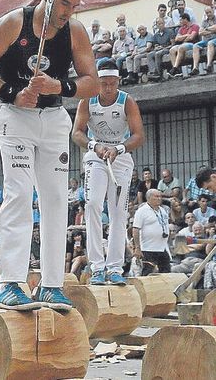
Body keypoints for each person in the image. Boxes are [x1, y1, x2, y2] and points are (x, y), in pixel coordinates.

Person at [0, 0, 99, 310]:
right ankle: (10, 282)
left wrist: (62, 86)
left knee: (56, 199)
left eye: (75, 5)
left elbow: (92, 83)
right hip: (16, 117)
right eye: (65, 3)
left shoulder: (75, 32)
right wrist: (11, 93)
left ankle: (51, 283)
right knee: (20, 192)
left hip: (54, 118)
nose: (68, 11)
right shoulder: (14, 24)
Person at [72, 60, 144, 286]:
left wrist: (119, 148)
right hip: (96, 155)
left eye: (113, 83)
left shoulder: (127, 101)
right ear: (97, 82)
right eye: (104, 83)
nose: (109, 88)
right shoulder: (87, 101)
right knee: (92, 204)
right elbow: (77, 133)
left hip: (120, 157)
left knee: (118, 213)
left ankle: (114, 267)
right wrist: (95, 146)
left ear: (118, 82)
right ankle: (97, 267)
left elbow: (138, 135)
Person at [131, 189, 173, 275]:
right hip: (148, 248)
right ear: (148, 198)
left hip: (162, 247)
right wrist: (137, 248)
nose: (159, 198)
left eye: (160, 196)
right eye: (156, 196)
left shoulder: (163, 210)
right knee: (148, 272)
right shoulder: (142, 211)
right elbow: (135, 229)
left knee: (166, 272)